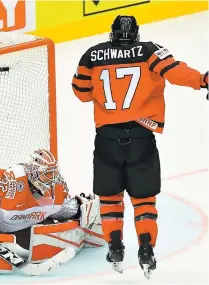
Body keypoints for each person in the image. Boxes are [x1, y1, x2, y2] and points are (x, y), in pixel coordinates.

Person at [71, 15, 208, 279]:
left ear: (112, 34)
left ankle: (115, 248)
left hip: (107, 139)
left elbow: (80, 91)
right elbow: (176, 72)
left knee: (111, 199)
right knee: (144, 199)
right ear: (136, 33)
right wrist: (202, 80)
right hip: (141, 137)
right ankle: (146, 250)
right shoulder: (149, 51)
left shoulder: (92, 54)